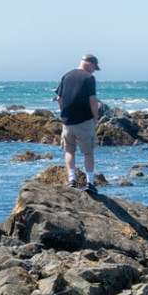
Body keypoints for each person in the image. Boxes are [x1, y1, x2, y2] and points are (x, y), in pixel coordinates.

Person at [55, 53, 100, 194]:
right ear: (90, 64)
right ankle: (90, 183)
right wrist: (95, 118)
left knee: (69, 150)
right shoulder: (89, 78)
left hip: (67, 121)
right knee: (88, 152)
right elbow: (92, 100)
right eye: (94, 68)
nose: (94, 71)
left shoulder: (66, 75)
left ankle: (72, 180)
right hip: (84, 120)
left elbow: (59, 98)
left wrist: (64, 112)